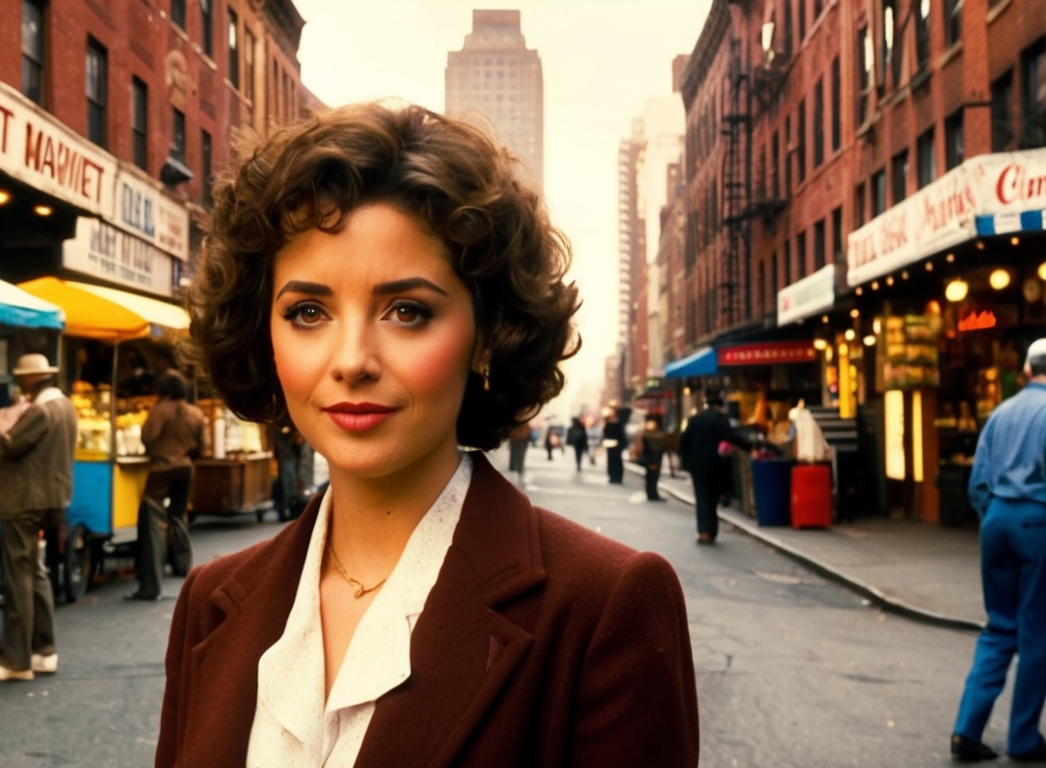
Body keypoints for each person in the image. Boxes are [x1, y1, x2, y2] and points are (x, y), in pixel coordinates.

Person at [161, 102, 697, 766]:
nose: (352, 359)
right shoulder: (209, 601)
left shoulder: (603, 606)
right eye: (307, 312)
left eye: (407, 311)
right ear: (262, 335)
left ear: (486, 335)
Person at [950, 339, 1046, 763]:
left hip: (997, 522)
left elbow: (978, 481)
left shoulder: (1001, 412)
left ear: (1027, 370)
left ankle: (966, 732)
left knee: (998, 628)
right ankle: (1024, 739)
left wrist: (994, 514)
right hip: (1039, 523)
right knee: (1035, 634)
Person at [0, 354, 77, 682]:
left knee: (19, 579)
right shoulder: (66, 407)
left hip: (24, 499)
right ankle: (45, 651)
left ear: (32, 379)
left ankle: (16, 660)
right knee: (35, 572)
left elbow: (10, 444)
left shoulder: (41, 410)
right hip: (50, 498)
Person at [131, 372, 206, 600]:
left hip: (163, 467)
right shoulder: (195, 412)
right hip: (186, 468)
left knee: (151, 520)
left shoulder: (161, 409)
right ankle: (183, 565)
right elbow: (202, 446)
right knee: (177, 516)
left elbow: (147, 436)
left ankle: (151, 585)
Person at [676, 393, 756, 544]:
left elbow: (683, 442)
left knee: (701, 497)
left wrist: (685, 461)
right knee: (712, 497)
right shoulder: (719, 419)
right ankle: (711, 530)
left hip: (697, 466)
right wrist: (749, 446)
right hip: (715, 465)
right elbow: (730, 436)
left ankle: (704, 530)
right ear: (719, 406)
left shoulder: (695, 419)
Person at [635, 415, 668, 502]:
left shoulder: (654, 435)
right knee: (651, 477)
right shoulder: (647, 435)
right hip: (651, 458)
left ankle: (652, 493)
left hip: (654, 458)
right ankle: (651, 493)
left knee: (653, 477)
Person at [603, 407, 626, 484]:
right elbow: (605, 433)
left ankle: (617, 477)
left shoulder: (619, 423)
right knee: (611, 461)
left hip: (617, 445)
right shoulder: (607, 423)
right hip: (610, 444)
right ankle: (612, 476)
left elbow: (621, 435)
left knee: (617, 461)